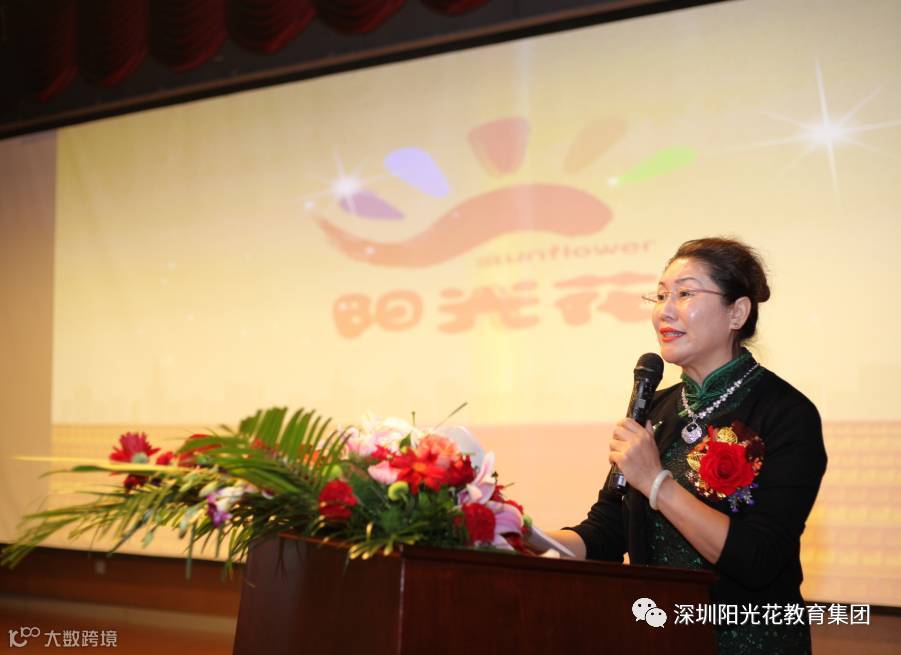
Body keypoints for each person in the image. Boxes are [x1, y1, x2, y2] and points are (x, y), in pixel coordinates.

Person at [548, 237, 827, 654]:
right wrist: (523, 538)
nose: (664, 310)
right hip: (660, 635)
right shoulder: (656, 407)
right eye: (660, 295)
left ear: (737, 312)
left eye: (684, 293)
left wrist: (656, 483)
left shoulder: (786, 413)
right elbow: (606, 531)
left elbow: (759, 558)